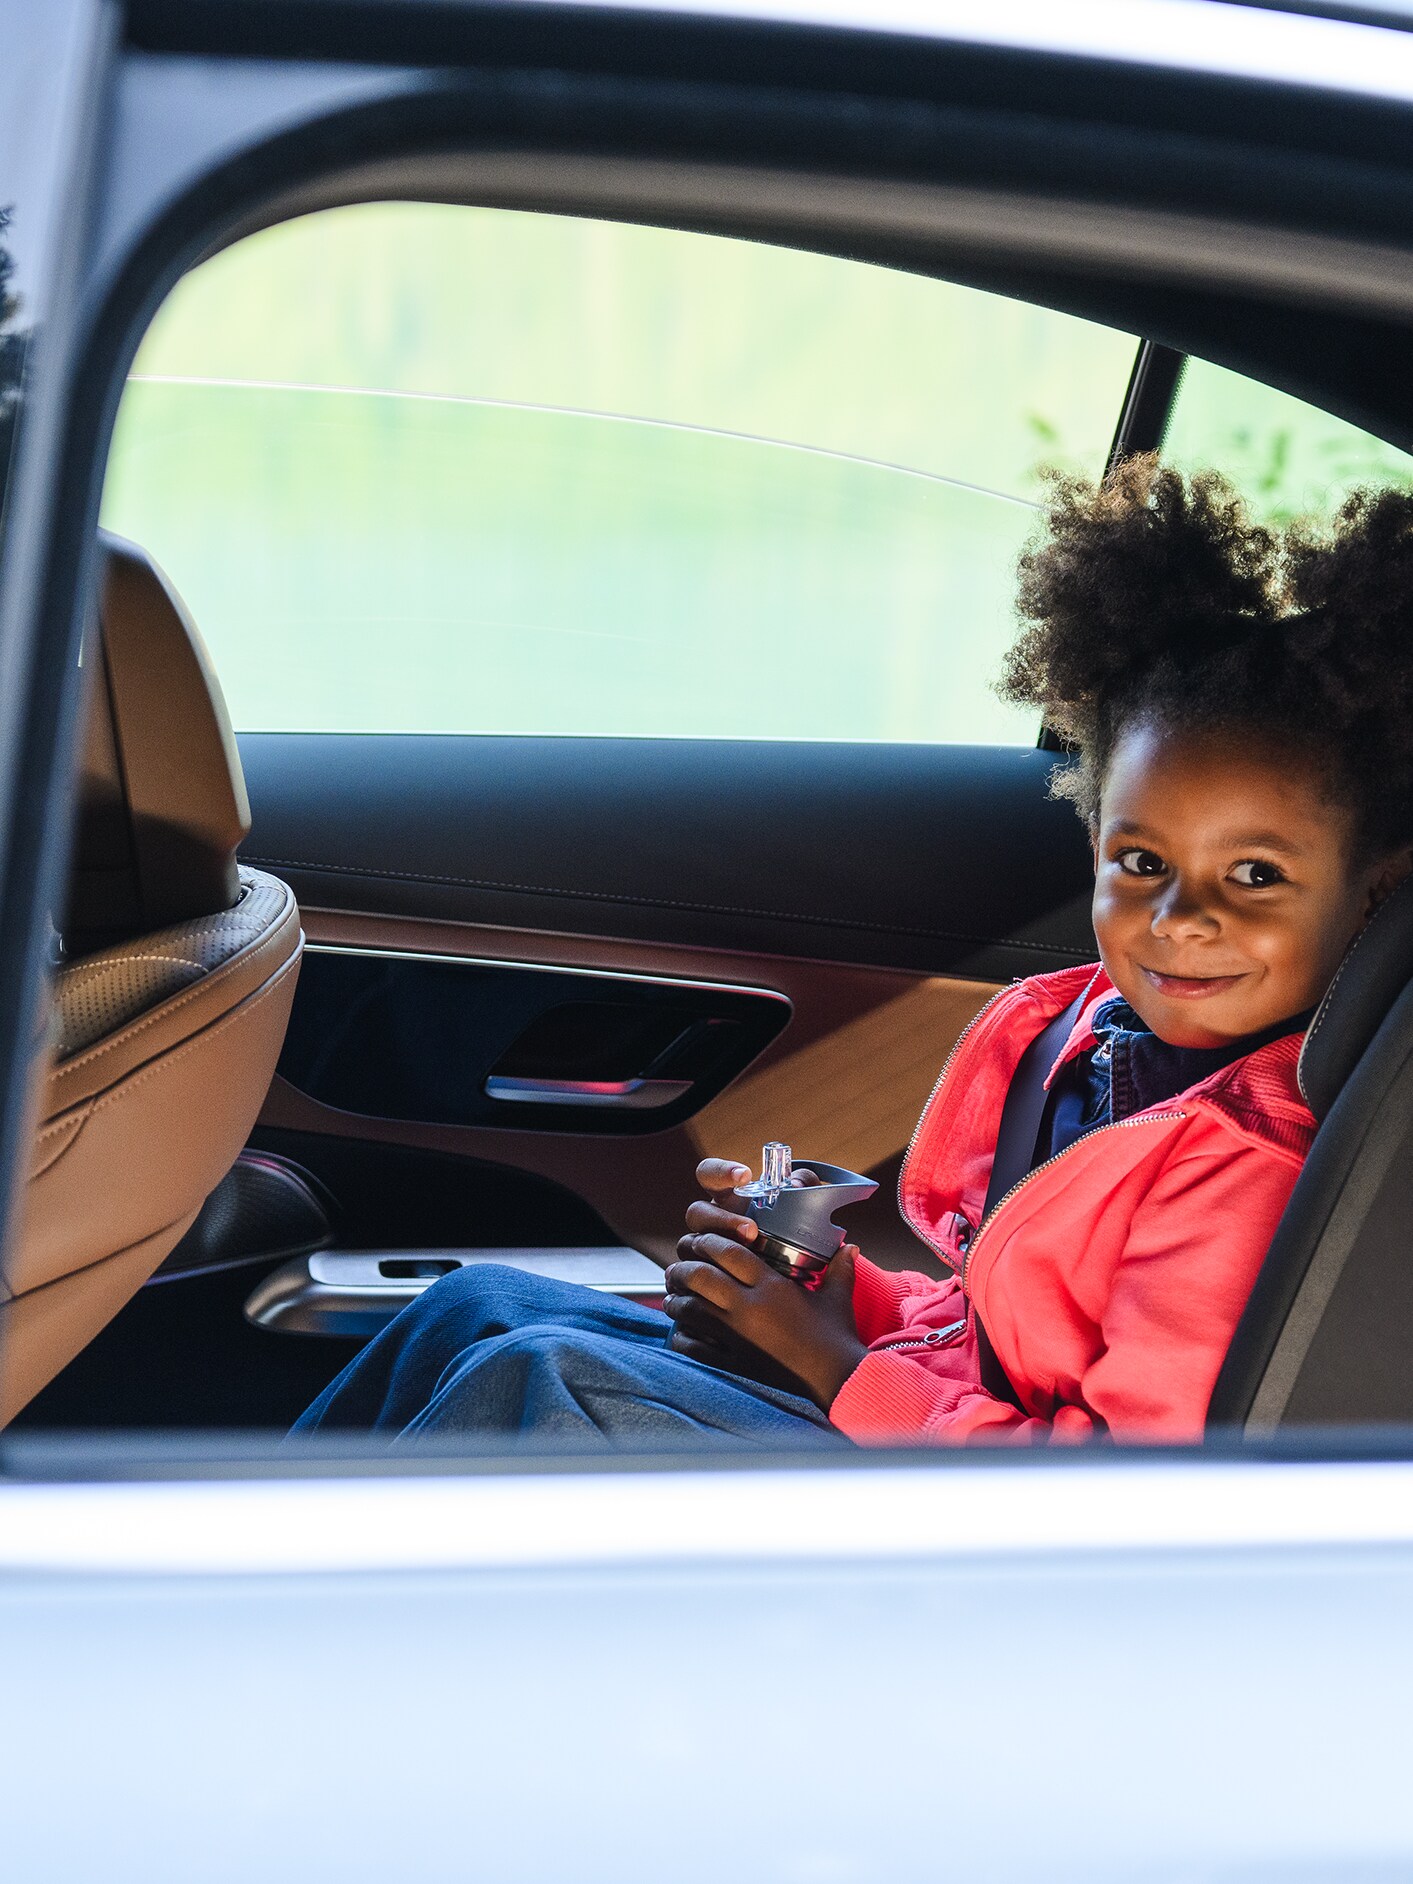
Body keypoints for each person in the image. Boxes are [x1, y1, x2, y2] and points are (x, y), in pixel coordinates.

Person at [292, 458, 1413, 1446]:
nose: (1179, 915)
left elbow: (1120, 1492)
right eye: (1139, 861)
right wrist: (830, 1296)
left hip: (1006, 1565)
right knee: (477, 1302)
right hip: (925, 1427)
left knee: (543, 1380)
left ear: (1377, 883)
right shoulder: (1097, 1048)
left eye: (1254, 876)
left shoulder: (1246, 1178)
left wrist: (832, 1366)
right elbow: (992, 1333)